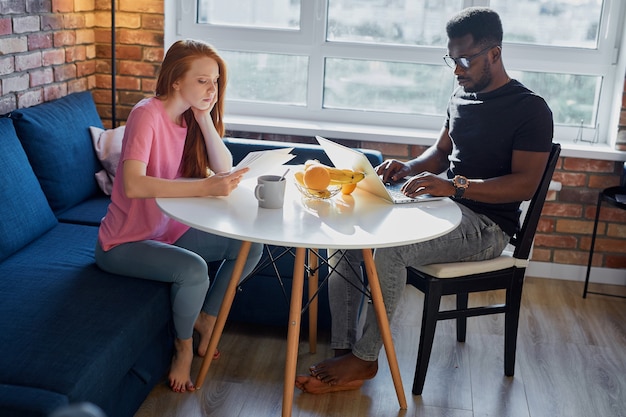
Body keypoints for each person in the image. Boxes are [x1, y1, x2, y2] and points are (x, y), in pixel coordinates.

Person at [295, 7, 553, 394]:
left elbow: (524, 186)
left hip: (486, 227)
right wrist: (407, 166)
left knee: (390, 253)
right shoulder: (462, 95)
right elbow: (440, 152)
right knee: (346, 237)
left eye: (465, 60)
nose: (457, 70)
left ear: (495, 54)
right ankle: (345, 349)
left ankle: (365, 361)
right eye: (452, 59)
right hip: (445, 206)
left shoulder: (530, 109)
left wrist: (456, 187)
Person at [95, 39, 263, 393]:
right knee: (193, 271)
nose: (211, 88)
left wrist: (203, 117)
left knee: (251, 244)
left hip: (167, 229)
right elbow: (135, 184)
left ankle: (207, 319)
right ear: (175, 80)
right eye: (202, 80)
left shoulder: (188, 117)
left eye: (215, 81)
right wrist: (205, 189)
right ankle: (183, 348)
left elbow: (223, 166)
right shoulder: (146, 114)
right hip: (125, 241)